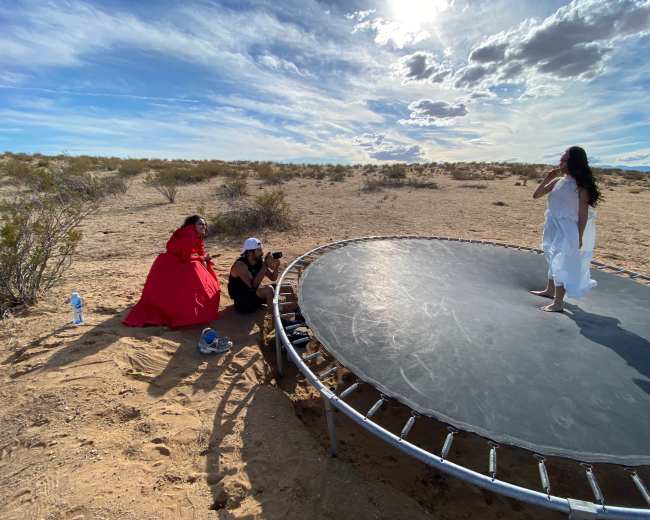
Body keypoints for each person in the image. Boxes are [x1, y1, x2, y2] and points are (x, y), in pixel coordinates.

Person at [530, 146, 601, 312]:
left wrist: (579, 237)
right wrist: (548, 177)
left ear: (573, 162)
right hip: (553, 225)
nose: (561, 161)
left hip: (569, 229)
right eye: (561, 157)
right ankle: (549, 290)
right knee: (551, 255)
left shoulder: (581, 187)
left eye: (565, 158)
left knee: (562, 261)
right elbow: (536, 195)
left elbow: (583, 214)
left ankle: (558, 302)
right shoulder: (557, 182)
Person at [123, 215, 221, 327]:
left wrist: (203, 257)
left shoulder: (194, 234)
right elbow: (186, 258)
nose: (203, 226)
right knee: (194, 270)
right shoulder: (189, 234)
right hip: (171, 264)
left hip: (170, 261)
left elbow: (199, 250)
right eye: (200, 224)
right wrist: (202, 258)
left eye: (204, 224)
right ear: (192, 226)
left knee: (195, 269)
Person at [228, 237, 280, 313]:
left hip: (253, 296)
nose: (262, 253)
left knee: (283, 287)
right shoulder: (240, 265)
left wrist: (276, 267)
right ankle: (275, 320)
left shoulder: (259, 261)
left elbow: (273, 277)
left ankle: (298, 313)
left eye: (261, 249)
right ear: (250, 252)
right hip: (243, 303)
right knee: (269, 289)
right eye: (259, 250)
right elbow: (253, 286)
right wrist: (265, 265)